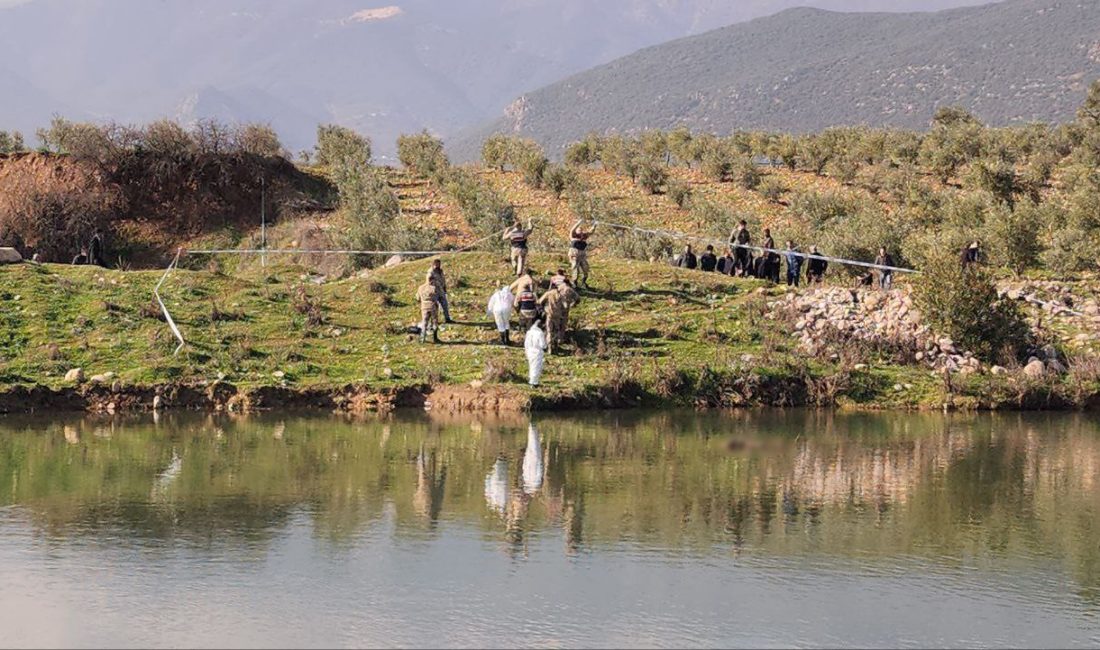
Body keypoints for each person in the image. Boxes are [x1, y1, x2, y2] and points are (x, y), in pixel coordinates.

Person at [538, 286, 568, 354]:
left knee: (549, 331)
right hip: (558, 315)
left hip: (550, 314)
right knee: (556, 330)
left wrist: (544, 307)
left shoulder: (548, 293)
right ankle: (555, 346)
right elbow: (565, 305)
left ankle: (549, 348)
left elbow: (539, 301)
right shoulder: (560, 295)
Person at [569, 220, 596, 288]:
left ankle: (583, 282)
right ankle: (574, 283)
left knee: (586, 268)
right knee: (575, 269)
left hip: (582, 255)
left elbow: (591, 232)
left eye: (581, 230)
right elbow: (572, 229)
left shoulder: (584, 236)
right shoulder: (573, 235)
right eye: (579, 230)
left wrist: (595, 225)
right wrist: (578, 223)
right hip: (574, 254)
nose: (580, 231)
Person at [415, 274, 442, 343]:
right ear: (432, 279)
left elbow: (417, 298)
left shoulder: (420, 287)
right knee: (434, 322)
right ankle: (435, 338)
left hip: (424, 307)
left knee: (424, 322)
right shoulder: (434, 288)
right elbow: (439, 296)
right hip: (433, 306)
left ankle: (422, 339)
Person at [428, 259, 453, 323]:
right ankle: (434, 321)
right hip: (434, 291)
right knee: (434, 307)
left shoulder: (440, 271)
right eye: (436, 264)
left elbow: (443, 279)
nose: (438, 265)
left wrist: (444, 288)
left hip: (441, 290)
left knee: (445, 305)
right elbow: (428, 281)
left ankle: (447, 319)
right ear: (433, 264)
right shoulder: (431, 272)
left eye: (439, 264)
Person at [525, 320, 548, 387]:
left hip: (529, 351)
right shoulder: (540, 333)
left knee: (531, 366)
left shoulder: (529, 332)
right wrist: (545, 347)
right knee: (536, 367)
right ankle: (534, 383)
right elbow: (542, 345)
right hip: (537, 352)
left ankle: (532, 380)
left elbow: (526, 343)